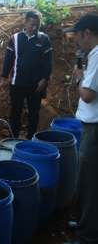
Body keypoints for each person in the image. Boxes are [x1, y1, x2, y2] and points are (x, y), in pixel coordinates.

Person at [62, 14, 98, 244]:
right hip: (91, 126)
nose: (75, 39)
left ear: (87, 33)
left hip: (94, 129)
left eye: (76, 34)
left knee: (89, 183)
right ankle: (87, 223)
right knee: (89, 181)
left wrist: (78, 78)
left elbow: (87, 95)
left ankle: (87, 237)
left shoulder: (97, 56)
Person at [0, 10, 53, 140]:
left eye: (37, 25)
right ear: (25, 22)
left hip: (36, 84)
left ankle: (31, 138)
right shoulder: (15, 38)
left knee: (34, 113)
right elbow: (8, 60)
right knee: (15, 111)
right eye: (32, 24)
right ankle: (13, 138)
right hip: (17, 82)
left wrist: (44, 79)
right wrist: (3, 78)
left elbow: (49, 61)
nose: (35, 28)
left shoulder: (44, 39)